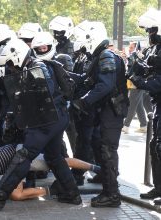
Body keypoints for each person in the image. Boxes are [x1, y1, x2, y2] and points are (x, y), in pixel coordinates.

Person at [0, 39, 81, 210]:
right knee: (54, 157)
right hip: (53, 118)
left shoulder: (38, 67)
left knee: (24, 155)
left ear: (17, 56)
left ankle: (1, 193)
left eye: (10, 62)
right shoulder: (31, 67)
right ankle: (73, 194)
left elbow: (44, 90)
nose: (10, 67)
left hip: (47, 120)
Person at [0, 139, 100, 205]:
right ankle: (95, 168)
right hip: (17, 154)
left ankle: (54, 190)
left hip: (20, 158)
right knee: (59, 162)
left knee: (59, 162)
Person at [69, 39, 129, 207]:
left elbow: (105, 85)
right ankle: (108, 188)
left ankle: (112, 194)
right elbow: (86, 79)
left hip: (112, 110)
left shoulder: (106, 56)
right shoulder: (101, 56)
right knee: (102, 147)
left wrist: (84, 101)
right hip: (107, 110)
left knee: (107, 150)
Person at [129, 8, 161, 205]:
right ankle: (158, 187)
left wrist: (140, 82)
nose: (149, 34)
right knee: (155, 146)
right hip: (158, 102)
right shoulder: (156, 49)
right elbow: (151, 69)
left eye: (151, 30)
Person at [122, 41, 152, 134]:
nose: (130, 49)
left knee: (132, 104)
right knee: (138, 104)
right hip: (134, 82)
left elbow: (135, 67)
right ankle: (143, 125)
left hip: (137, 82)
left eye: (131, 47)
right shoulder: (136, 55)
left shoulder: (138, 56)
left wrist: (130, 56)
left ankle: (126, 125)